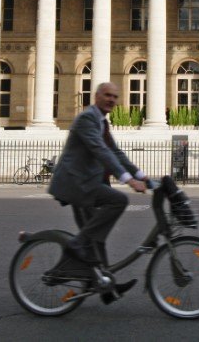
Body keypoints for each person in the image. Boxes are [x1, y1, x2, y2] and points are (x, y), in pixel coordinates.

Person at [48, 82, 147, 303]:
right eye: (107, 95)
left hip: (87, 183)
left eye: (115, 96)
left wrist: (141, 175)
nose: (112, 100)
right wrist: (127, 180)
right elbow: (99, 150)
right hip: (77, 185)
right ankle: (71, 257)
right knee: (117, 202)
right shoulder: (87, 119)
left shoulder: (102, 122)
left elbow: (116, 153)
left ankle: (106, 288)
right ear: (96, 96)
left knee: (96, 237)